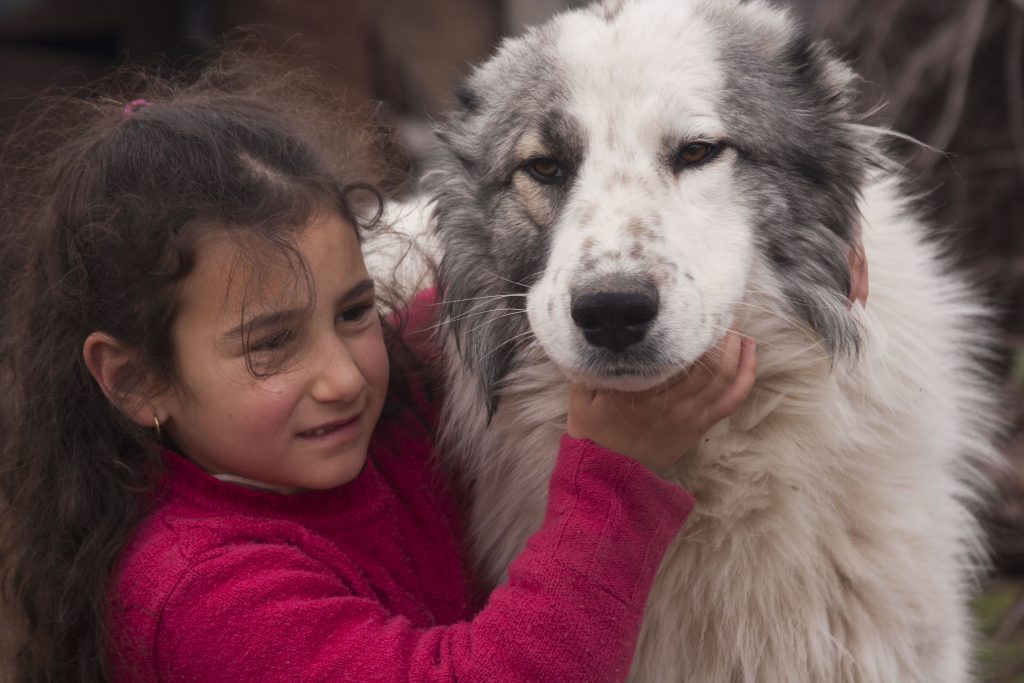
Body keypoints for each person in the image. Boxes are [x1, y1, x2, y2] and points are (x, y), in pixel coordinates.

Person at [0, 55, 760, 683]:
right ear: (137, 380)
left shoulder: (379, 407)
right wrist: (616, 474)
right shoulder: (198, 591)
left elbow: (473, 299)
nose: (344, 376)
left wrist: (804, 239)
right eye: (271, 344)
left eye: (354, 310)